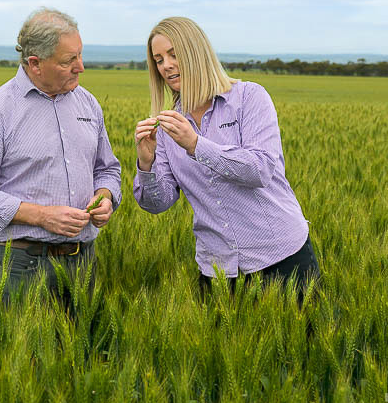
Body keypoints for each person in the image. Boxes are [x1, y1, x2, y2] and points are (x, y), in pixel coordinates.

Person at [132, 16, 318, 299]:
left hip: (281, 258)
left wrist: (196, 145)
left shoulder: (249, 98)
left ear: (196, 52)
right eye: (158, 60)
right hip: (217, 269)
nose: (166, 65)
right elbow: (158, 203)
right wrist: (146, 164)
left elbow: (260, 169)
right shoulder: (169, 125)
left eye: (174, 54)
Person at [0, 8, 122, 306]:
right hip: (22, 264)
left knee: (81, 338)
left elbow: (107, 169)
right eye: (68, 61)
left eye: (80, 55)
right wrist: (42, 216)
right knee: (22, 339)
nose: (81, 67)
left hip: (83, 261)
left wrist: (106, 197)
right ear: (35, 63)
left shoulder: (88, 104)